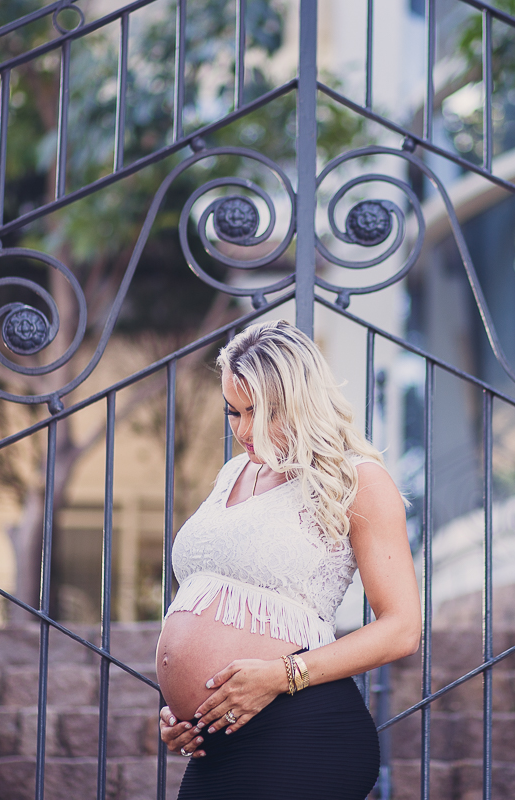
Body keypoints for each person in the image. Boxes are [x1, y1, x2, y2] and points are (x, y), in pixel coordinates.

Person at [155, 319, 421, 799]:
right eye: (233, 411)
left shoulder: (356, 479)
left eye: (259, 411)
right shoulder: (233, 472)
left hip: (300, 728)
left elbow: (402, 629)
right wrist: (184, 710)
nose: (244, 429)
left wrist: (280, 675)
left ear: (299, 400)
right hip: (220, 741)